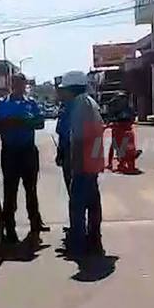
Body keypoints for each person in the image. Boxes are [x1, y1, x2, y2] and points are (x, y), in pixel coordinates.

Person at [0, 73, 50, 243]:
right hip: (10, 152)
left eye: (21, 84)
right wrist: (9, 123)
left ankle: (35, 222)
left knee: (31, 189)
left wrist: (22, 122)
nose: (18, 86)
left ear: (25, 85)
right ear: (11, 84)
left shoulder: (31, 103)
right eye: (15, 83)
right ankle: (9, 228)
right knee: (10, 191)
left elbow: (40, 123)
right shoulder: (1, 104)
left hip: (28, 151)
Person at [56, 70, 105, 256]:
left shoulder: (80, 105)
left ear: (72, 89)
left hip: (83, 161)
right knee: (92, 202)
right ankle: (93, 238)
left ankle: (79, 244)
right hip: (90, 161)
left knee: (77, 204)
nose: (62, 93)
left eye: (64, 89)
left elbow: (78, 139)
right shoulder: (88, 102)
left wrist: (78, 165)